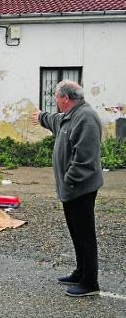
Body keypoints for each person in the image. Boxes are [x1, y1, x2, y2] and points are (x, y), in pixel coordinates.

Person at [31, 80, 104, 297]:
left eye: (56, 97)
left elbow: (85, 160)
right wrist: (41, 117)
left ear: (65, 98)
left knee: (85, 235)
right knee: (76, 232)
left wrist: (70, 181)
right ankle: (80, 272)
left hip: (80, 188)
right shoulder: (70, 116)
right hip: (71, 189)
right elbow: (55, 121)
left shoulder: (86, 118)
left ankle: (90, 282)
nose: (55, 101)